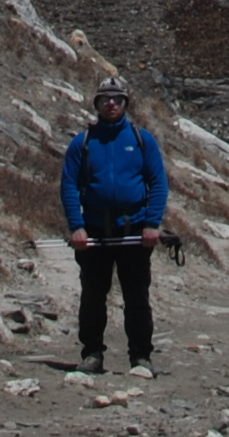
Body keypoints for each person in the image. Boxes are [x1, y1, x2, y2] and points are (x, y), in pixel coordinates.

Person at [59, 76, 170, 374]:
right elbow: (69, 186)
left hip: (133, 230)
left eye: (117, 99)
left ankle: (140, 357)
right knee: (93, 296)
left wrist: (152, 224)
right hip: (94, 231)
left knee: (137, 296)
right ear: (96, 104)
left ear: (125, 104)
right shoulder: (81, 143)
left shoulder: (141, 139)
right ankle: (92, 353)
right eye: (105, 98)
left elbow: (158, 182)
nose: (111, 103)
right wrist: (77, 226)